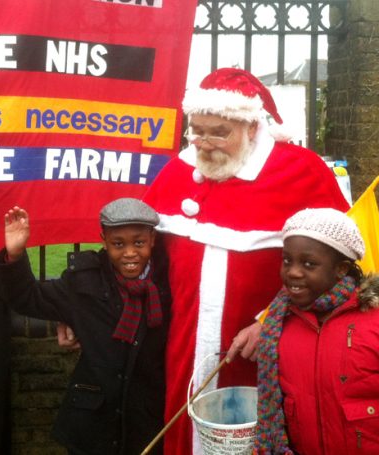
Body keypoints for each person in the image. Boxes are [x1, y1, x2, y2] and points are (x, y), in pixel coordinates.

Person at [141, 67, 351, 454]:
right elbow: (134, 251)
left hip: (269, 343)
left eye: (219, 132)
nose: (203, 143)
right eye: (196, 130)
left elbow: (340, 269)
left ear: (252, 127)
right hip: (184, 342)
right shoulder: (179, 170)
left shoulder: (300, 171)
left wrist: (269, 320)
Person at [255, 208, 379, 454]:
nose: (293, 271)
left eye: (309, 263)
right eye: (287, 260)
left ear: (341, 269)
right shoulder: (278, 327)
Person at [0, 198, 170, 455]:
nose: (130, 253)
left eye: (139, 243)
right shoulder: (83, 283)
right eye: (118, 244)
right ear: (104, 241)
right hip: (93, 423)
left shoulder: (169, 284)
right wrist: (15, 254)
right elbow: (27, 298)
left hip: (146, 420)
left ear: (152, 240)